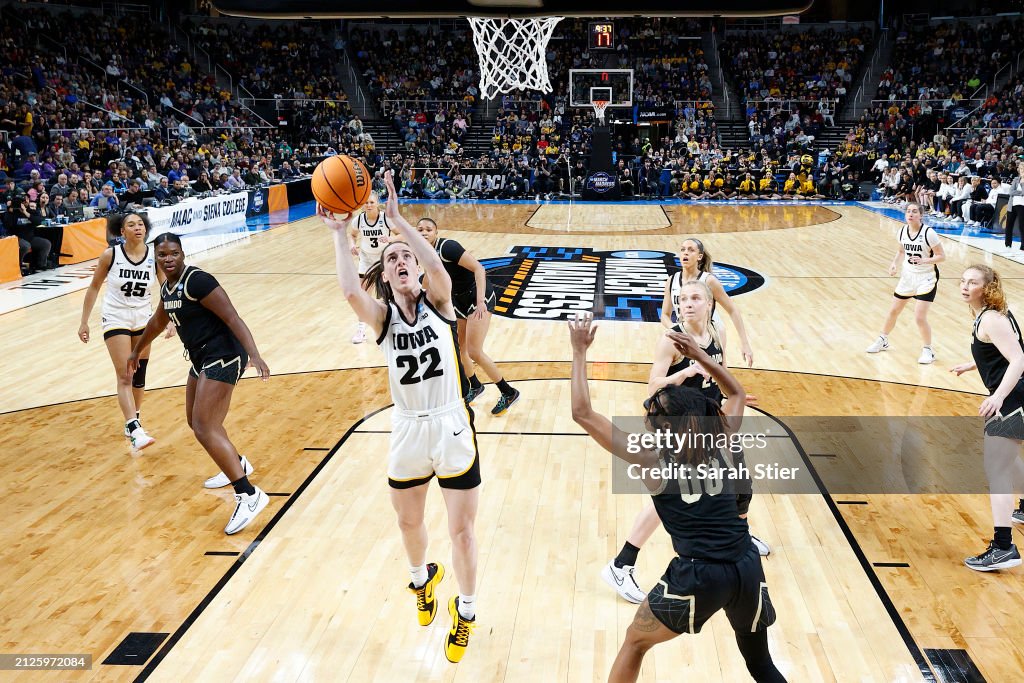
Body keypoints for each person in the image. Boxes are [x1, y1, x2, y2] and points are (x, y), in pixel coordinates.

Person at [569, 313, 786, 682]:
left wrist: (578, 353)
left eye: (652, 412)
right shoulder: (719, 436)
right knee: (760, 665)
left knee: (635, 643)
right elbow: (734, 393)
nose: (647, 413)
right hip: (746, 564)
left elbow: (582, 413)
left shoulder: (650, 458)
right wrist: (702, 358)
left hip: (699, 573)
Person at [321, 171, 480, 663]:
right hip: (409, 426)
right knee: (408, 524)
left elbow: (438, 268)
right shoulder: (384, 319)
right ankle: (421, 581)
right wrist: (337, 236)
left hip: (451, 421)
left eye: (406, 256)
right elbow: (351, 293)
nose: (402, 260)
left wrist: (397, 223)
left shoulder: (439, 303)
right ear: (385, 277)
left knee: (462, 531)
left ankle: (467, 613)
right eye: (392, 259)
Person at [605, 279, 769, 604]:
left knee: (738, 479)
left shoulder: (717, 334)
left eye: (694, 298)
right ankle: (621, 563)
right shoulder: (671, 339)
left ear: (709, 303)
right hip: (680, 425)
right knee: (670, 495)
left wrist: (731, 396)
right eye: (682, 298)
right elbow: (652, 390)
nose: (687, 303)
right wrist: (684, 373)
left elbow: (720, 372)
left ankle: (739, 534)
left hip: (711, 419)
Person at [127, 233, 271, 535]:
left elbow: (232, 317)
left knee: (206, 426)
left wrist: (255, 354)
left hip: (224, 354)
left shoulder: (198, 281)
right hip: (201, 358)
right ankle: (237, 463)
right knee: (195, 421)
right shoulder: (168, 287)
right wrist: (137, 350)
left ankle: (248, 494)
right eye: (163, 254)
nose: (168, 259)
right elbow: (156, 321)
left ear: (182, 253)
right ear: (156, 256)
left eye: (174, 253)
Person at [952, 265, 1024, 571]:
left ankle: (1003, 547)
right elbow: (1009, 350)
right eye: (964, 281)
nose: (966, 286)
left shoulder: (991, 319)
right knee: (1010, 461)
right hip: (1016, 396)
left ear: (987, 288)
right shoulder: (991, 315)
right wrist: (974, 364)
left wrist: (997, 397)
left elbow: (1019, 358)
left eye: (973, 282)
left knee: (997, 471)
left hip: (1012, 400)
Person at [78, 213, 168, 451]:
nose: (137, 228)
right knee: (125, 374)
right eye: (131, 224)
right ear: (121, 231)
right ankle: (134, 428)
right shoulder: (111, 255)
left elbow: (166, 288)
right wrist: (84, 322)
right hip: (115, 316)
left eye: (140, 224)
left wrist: (171, 319)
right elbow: (94, 287)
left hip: (143, 317)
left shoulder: (155, 256)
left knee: (139, 375)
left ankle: (133, 418)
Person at [416, 217, 520, 415]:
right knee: (459, 348)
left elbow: (479, 269)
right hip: (458, 300)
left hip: (478, 295)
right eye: (419, 229)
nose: (424, 232)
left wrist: (481, 301)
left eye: (428, 229)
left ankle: (508, 392)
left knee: (474, 351)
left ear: (436, 233)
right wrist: (418, 302)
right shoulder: (423, 253)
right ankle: (475, 386)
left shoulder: (448, 247)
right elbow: (429, 278)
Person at [866, 202, 945, 363]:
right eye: (908, 211)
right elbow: (901, 250)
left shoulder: (929, 233)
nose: (911, 214)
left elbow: (942, 256)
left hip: (926, 277)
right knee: (893, 311)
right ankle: (883, 339)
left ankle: (928, 350)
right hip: (908, 276)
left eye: (914, 211)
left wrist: (924, 260)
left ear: (921, 215)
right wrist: (894, 263)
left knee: (919, 317)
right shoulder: (902, 231)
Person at [660, 238, 754, 367]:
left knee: (717, 377)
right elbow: (664, 315)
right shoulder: (672, 280)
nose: (685, 253)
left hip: (710, 333)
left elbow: (732, 309)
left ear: (699, 256)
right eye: (683, 249)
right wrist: (676, 330)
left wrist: (745, 344)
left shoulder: (709, 281)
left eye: (691, 250)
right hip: (685, 333)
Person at [346, 192, 391, 344]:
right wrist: (352, 245)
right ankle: (361, 330)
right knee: (363, 296)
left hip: (384, 259)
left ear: (377, 203)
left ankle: (391, 325)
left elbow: (402, 235)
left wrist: (390, 238)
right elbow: (351, 235)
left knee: (389, 294)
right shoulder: (359, 220)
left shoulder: (386, 218)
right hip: (366, 259)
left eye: (371, 202)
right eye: (366, 203)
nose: (369, 205)